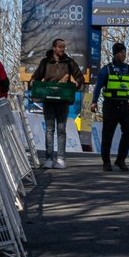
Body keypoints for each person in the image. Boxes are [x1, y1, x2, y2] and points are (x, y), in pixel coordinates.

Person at [92, 41, 129, 172]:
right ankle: (106, 162)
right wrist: (94, 102)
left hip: (124, 105)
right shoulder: (107, 69)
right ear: (115, 54)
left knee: (128, 132)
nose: (124, 54)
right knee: (107, 134)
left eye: (125, 52)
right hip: (110, 105)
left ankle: (120, 159)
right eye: (121, 52)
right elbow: (98, 87)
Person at [31, 38, 82, 168]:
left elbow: (79, 76)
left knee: (61, 129)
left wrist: (77, 83)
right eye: (60, 47)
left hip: (63, 101)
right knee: (49, 130)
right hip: (48, 100)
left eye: (64, 47)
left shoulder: (69, 62)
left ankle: (60, 159)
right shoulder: (45, 62)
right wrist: (32, 82)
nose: (62, 49)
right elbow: (36, 77)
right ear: (54, 48)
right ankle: (48, 159)